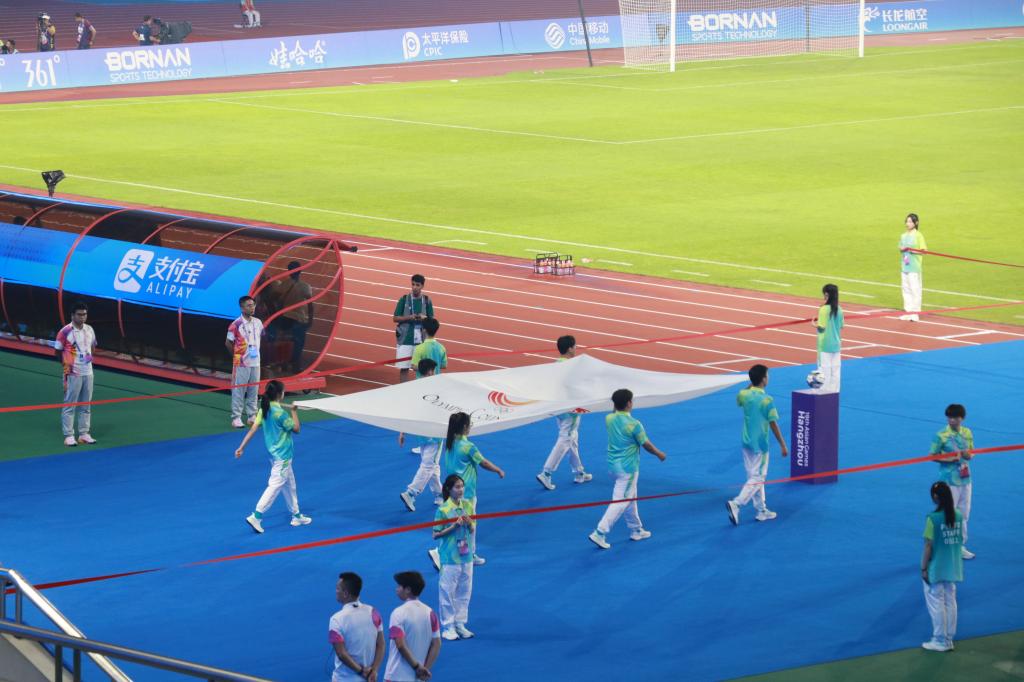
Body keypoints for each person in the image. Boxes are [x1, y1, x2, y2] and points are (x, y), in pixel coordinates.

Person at [588, 388, 666, 549]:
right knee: (621, 501)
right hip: (627, 469)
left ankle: (636, 529)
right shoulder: (635, 425)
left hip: (612, 466)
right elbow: (646, 445)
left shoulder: (609, 418)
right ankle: (600, 532)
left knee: (630, 498)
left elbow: (615, 412)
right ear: (629, 403)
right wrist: (659, 454)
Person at [429, 412, 504, 571]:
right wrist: (498, 470)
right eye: (469, 424)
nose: (470, 427)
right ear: (464, 427)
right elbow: (483, 462)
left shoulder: (450, 442)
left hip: (451, 490)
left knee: (457, 524)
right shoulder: (468, 446)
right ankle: (444, 553)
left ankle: (465, 552)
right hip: (465, 493)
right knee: (470, 524)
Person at [235, 380, 311, 533]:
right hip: (282, 457)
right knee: (275, 485)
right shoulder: (280, 414)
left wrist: (241, 447)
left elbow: (253, 429)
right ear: (279, 394)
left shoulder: (265, 408)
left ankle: (296, 515)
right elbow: (297, 429)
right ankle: (256, 515)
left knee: (290, 485)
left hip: (274, 454)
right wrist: (294, 412)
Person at [726, 364, 789, 526]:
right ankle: (737, 503)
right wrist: (783, 444)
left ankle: (761, 510)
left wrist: (752, 384)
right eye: (767, 375)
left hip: (746, 442)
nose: (769, 378)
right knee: (758, 477)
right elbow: (773, 424)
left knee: (753, 477)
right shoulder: (767, 400)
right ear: (763, 379)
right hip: (760, 445)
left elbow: (740, 397)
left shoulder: (744, 394)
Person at [536, 335, 592, 490]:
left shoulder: (556, 365)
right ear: (569, 348)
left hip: (559, 408)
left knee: (572, 439)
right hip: (570, 409)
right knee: (565, 439)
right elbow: (575, 386)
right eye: (574, 346)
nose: (576, 349)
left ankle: (579, 473)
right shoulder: (571, 366)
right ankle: (546, 473)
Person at [920, 481, 964, 652]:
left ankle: (939, 640)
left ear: (935, 497)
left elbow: (928, 546)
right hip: (952, 566)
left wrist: (924, 568)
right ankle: (949, 638)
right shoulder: (958, 515)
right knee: (950, 600)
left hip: (936, 568)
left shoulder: (933, 519)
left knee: (936, 602)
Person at [433, 474, 476, 641]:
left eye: (462, 486)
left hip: (466, 554)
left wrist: (469, 523)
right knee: (447, 591)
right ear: (449, 489)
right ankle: (448, 626)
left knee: (465, 590)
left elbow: (472, 529)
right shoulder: (443, 509)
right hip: (450, 556)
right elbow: (435, 534)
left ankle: (460, 622)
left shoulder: (468, 505)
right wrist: (453, 526)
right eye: (457, 487)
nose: (461, 490)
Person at [929, 404, 975, 560]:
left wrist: (969, 456)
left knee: (964, 513)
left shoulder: (967, 432)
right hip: (948, 480)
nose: (951, 420)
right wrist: (949, 459)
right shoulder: (941, 435)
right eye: (949, 417)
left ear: (962, 418)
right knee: (948, 513)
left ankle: (960, 545)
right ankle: (942, 545)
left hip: (965, 478)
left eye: (955, 417)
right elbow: (932, 455)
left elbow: (972, 451)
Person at [399, 358, 444, 512]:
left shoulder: (414, 388)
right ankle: (411, 493)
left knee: (432, 465)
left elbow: (408, 410)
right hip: (435, 434)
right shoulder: (437, 388)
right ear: (431, 371)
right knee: (428, 466)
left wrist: (402, 431)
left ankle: (440, 495)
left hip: (421, 433)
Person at [54, 301, 97, 447]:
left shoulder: (90, 329)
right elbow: (57, 351)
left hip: (88, 372)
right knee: (70, 405)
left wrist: (88, 361)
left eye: (84, 314)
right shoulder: (65, 331)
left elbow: (92, 347)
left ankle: (84, 434)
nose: (82, 317)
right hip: (72, 373)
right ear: (72, 315)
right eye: (79, 314)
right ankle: (68, 436)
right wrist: (67, 366)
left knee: (86, 404)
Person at [384, 571, 441, 682]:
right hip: (418, 678)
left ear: (408, 589)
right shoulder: (431, 613)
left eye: (399, 586)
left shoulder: (398, 613)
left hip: (396, 676)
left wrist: (417, 667)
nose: (396, 589)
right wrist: (424, 669)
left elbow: (400, 645)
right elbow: (437, 644)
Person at [329, 572, 385, 682]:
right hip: (369, 678)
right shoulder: (373, 612)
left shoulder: (336, 619)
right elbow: (381, 644)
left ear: (345, 593)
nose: (336, 591)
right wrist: (374, 670)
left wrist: (361, 671)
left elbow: (341, 654)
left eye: (337, 588)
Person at [268, 261, 314, 374]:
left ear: (289, 271)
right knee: (298, 344)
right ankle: (295, 367)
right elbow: (310, 306)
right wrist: (310, 320)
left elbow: (272, 298)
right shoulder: (305, 287)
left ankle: (282, 364)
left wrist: (278, 307)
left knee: (284, 341)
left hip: (285, 317)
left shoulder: (283, 285)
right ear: (300, 271)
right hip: (299, 319)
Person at [226, 295, 264, 428]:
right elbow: (228, 343)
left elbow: (260, 338)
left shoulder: (258, 323)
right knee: (239, 390)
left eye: (253, 305)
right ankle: (236, 417)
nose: (252, 308)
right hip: (241, 362)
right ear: (242, 308)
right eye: (249, 306)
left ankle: (252, 416)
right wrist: (236, 356)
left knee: (254, 389)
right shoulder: (235, 324)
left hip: (256, 361)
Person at [393, 274, 434, 383]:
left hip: (421, 341)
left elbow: (432, 320)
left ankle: (421, 390)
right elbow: (395, 318)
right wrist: (409, 317)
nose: (414, 287)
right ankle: (404, 390)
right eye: (413, 284)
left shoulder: (427, 300)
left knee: (422, 369)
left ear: (422, 286)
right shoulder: (404, 299)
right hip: (405, 340)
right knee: (404, 369)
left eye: (417, 285)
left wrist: (424, 318)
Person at [814, 284, 844, 393]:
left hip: (825, 345)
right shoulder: (839, 309)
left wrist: (814, 324)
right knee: (836, 371)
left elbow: (821, 327)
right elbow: (841, 326)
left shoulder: (823, 309)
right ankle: (834, 393)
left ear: (826, 295)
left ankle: (823, 393)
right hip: (836, 344)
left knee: (824, 371)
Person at [899, 212, 927, 322]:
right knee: (906, 289)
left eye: (910, 221)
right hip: (905, 266)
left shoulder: (918, 235)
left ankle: (915, 313)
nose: (908, 223)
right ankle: (908, 312)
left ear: (916, 223)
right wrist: (902, 249)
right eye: (907, 221)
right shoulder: (903, 236)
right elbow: (900, 248)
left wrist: (913, 251)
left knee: (915, 290)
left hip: (914, 268)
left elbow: (924, 251)